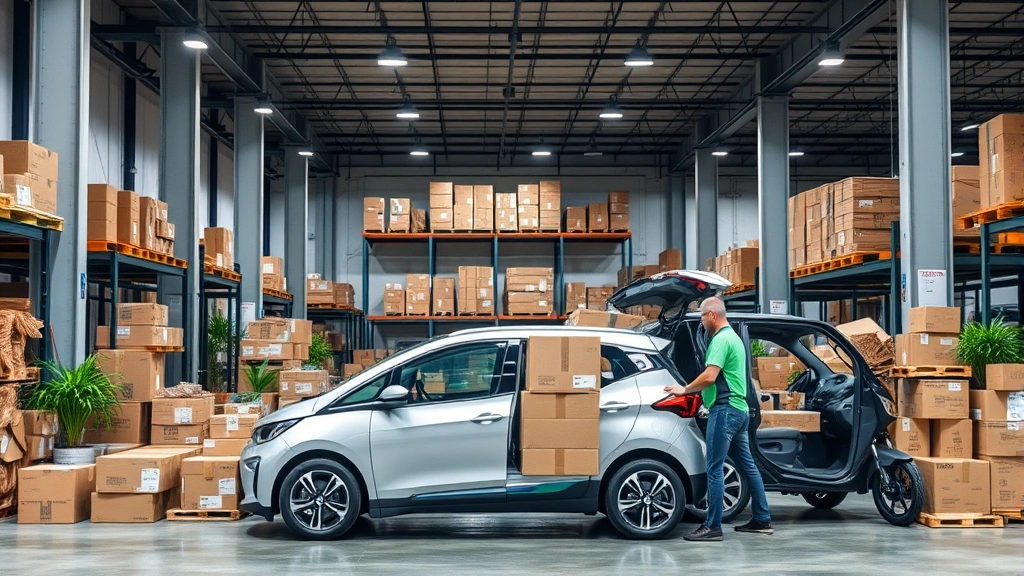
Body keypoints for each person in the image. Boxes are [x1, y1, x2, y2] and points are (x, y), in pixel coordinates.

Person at [663, 297, 773, 542]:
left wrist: (684, 390)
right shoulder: (734, 338)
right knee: (749, 467)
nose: (702, 322)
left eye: (702, 317)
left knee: (714, 468)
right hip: (739, 411)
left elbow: (709, 376)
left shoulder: (721, 340)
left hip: (725, 411)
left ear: (712, 315)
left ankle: (712, 526)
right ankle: (762, 519)